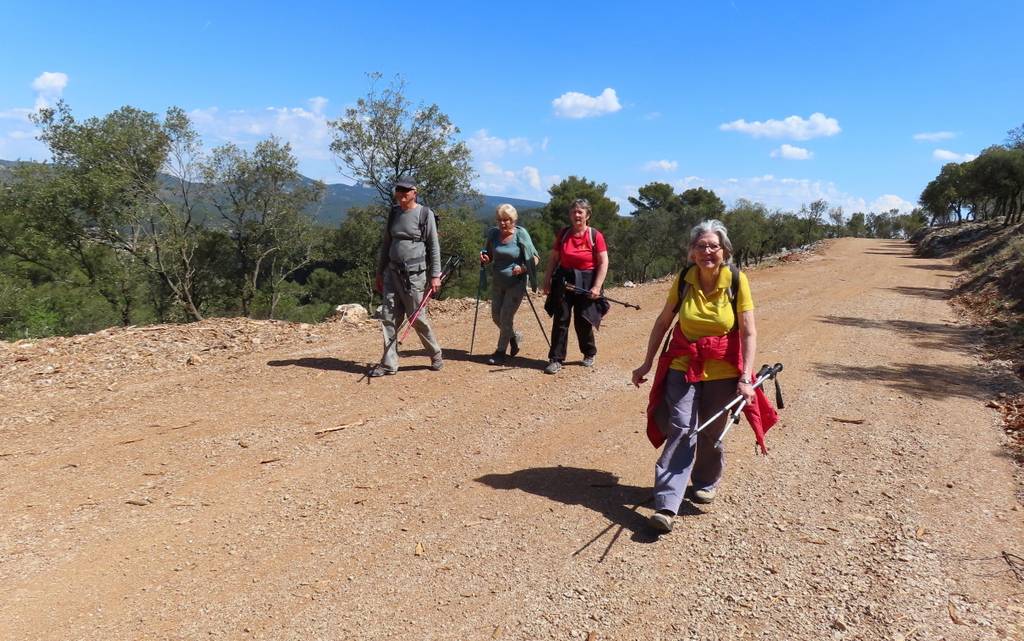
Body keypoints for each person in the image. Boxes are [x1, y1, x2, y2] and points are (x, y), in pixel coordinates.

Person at [630, 219, 757, 533]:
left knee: (711, 430)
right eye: (701, 246)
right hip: (683, 365)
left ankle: (705, 480)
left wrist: (745, 376)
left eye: (713, 246)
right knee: (682, 427)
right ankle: (667, 503)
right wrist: (647, 363)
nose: (707, 252)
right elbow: (662, 322)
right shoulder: (685, 279)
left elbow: (749, 332)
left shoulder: (737, 282)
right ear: (691, 252)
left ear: (724, 250)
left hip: (723, 370)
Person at [369, 176, 443, 377]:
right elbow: (386, 244)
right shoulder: (393, 213)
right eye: (399, 190)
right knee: (389, 317)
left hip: (414, 277)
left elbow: (434, 247)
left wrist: (435, 275)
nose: (401, 194)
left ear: (414, 192)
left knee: (417, 317)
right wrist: (379, 271)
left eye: (406, 191)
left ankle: (435, 353)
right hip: (391, 273)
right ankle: (389, 364)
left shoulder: (425, 214)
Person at [541, 198, 609, 374]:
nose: (577, 215)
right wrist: (547, 279)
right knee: (561, 319)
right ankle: (555, 359)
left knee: (583, 319)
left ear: (588, 215)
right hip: (564, 279)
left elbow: (603, 262)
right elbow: (554, 258)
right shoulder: (564, 234)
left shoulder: (595, 236)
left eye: (580, 211)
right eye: (573, 211)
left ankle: (589, 352)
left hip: (587, 280)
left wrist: (597, 286)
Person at [480, 204, 539, 365]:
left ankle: (500, 352)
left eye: (506, 220)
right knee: (496, 316)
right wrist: (486, 258)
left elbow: (535, 258)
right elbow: (489, 255)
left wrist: (523, 268)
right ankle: (513, 337)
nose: (502, 223)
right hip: (498, 282)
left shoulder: (521, 234)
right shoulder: (493, 234)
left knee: (506, 317)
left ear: (514, 220)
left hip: (516, 283)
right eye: (499, 220)